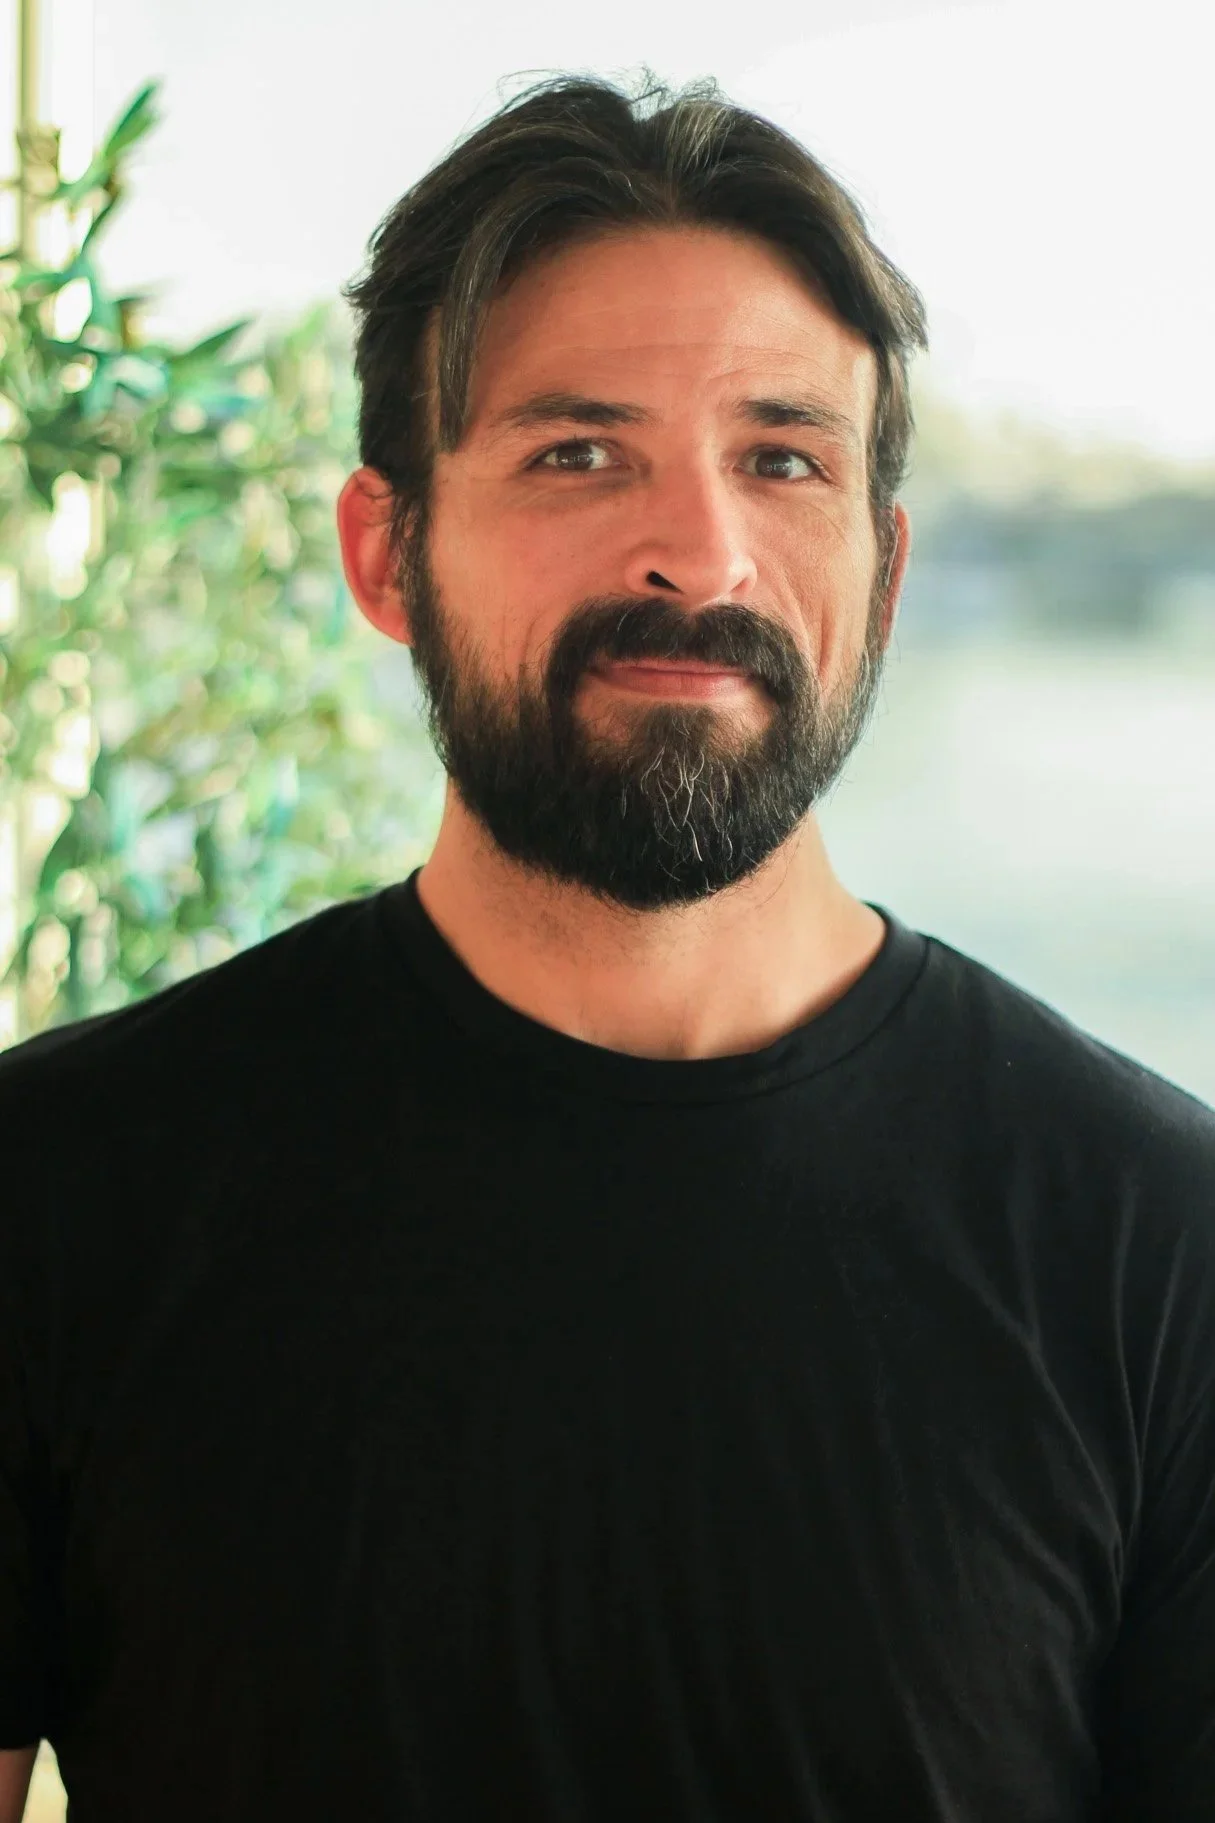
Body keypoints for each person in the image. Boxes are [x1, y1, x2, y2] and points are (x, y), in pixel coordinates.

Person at [1, 69, 1213, 1823]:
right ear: (385, 549)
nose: (696, 550)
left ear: (876, 570)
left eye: (780, 459)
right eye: (580, 452)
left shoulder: (1160, 1252)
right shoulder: (53, 1195)